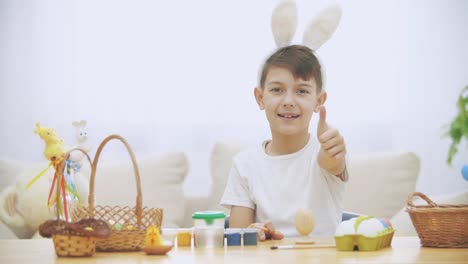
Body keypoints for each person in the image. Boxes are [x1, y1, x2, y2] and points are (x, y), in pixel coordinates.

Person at [220, 45, 348, 240]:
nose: (288, 100)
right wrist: (254, 232)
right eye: (277, 89)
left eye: (302, 91)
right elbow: (239, 241)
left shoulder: (326, 151)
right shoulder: (245, 164)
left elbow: (331, 162)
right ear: (260, 98)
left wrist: (331, 152)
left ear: (319, 101)